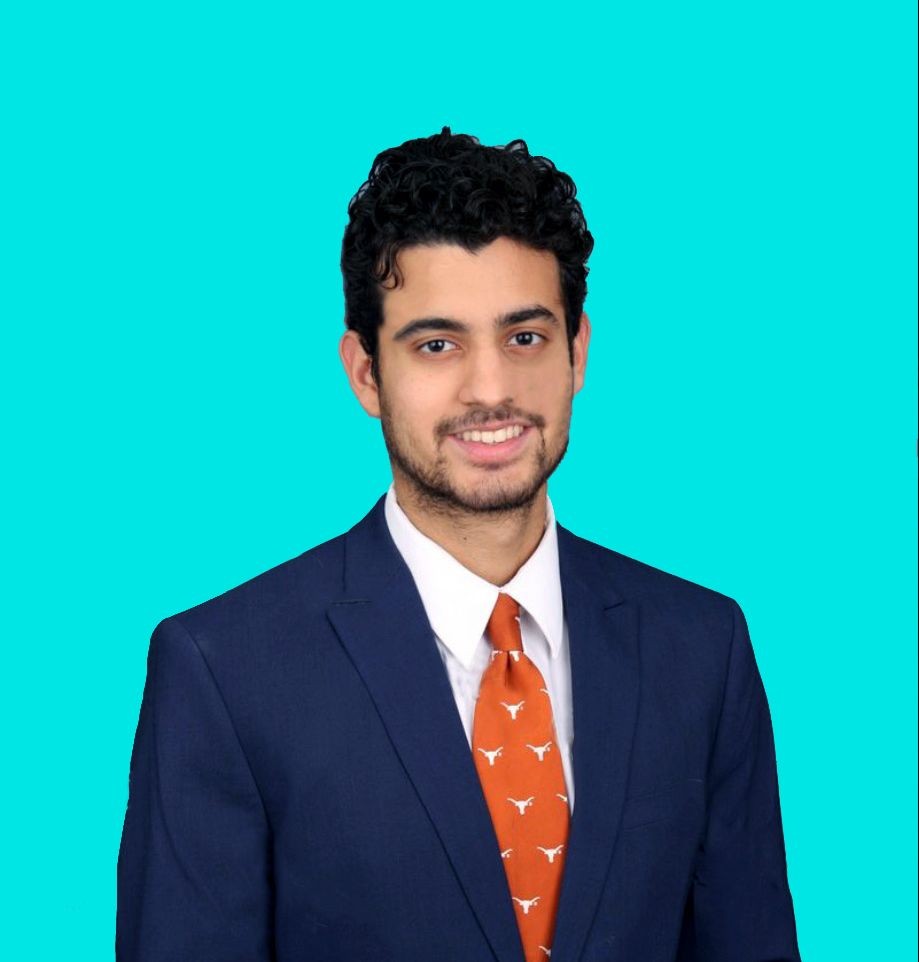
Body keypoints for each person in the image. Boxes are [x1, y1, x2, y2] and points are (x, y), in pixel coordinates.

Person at [116, 127, 801, 962]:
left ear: (577, 350)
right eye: (436, 345)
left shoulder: (702, 648)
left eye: (525, 337)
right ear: (366, 373)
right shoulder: (224, 669)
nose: (491, 388)